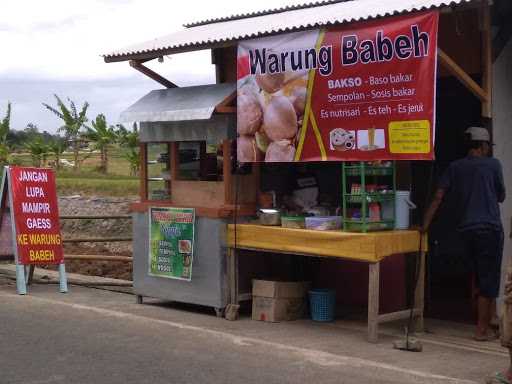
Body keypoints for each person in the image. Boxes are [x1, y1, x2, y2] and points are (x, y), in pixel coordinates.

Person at [422, 126, 506, 341]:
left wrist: (425, 225)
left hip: (466, 230)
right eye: (487, 145)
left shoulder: (455, 167)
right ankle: (481, 330)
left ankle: (486, 321)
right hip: (489, 229)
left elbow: (439, 197)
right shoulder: (493, 165)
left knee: (476, 277)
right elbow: (501, 196)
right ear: (483, 145)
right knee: (489, 280)